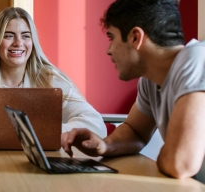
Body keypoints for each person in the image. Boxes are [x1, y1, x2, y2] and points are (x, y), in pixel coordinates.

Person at [61, 0, 205, 180]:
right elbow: (135, 132)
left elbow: (180, 164)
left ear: (136, 38)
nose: (108, 50)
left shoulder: (197, 60)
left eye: (111, 37)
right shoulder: (150, 81)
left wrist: (171, 154)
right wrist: (104, 145)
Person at [0, 7, 107, 140]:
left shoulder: (50, 78)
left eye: (26, 36)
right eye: (8, 36)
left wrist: (39, 133)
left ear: (33, 41)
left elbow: (95, 124)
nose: (18, 43)